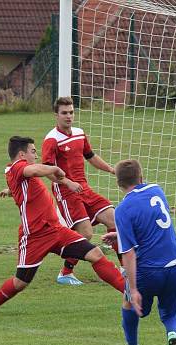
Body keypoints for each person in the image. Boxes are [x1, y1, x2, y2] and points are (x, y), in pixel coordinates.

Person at [0, 136, 125, 315]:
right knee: (20, 282)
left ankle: (131, 294)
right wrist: (53, 167)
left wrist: (65, 182)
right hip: (35, 236)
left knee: (95, 254)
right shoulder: (19, 167)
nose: (36, 156)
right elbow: (35, 170)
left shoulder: (14, 172)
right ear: (22, 155)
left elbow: (24, 184)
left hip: (56, 230)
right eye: (33, 152)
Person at [102, 160, 176, 345]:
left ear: (118, 184)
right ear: (141, 177)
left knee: (128, 303)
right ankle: (172, 335)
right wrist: (121, 234)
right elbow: (151, 224)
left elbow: (129, 253)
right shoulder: (157, 190)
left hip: (149, 270)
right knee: (169, 311)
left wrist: (133, 288)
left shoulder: (122, 209)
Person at [42, 96, 120, 286]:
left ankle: (125, 267)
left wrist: (111, 169)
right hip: (66, 192)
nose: (68, 116)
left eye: (71, 112)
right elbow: (47, 170)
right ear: (56, 115)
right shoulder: (51, 140)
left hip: (84, 189)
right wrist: (67, 182)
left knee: (116, 220)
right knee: (85, 234)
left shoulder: (79, 133)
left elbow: (90, 156)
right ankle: (65, 272)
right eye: (64, 113)